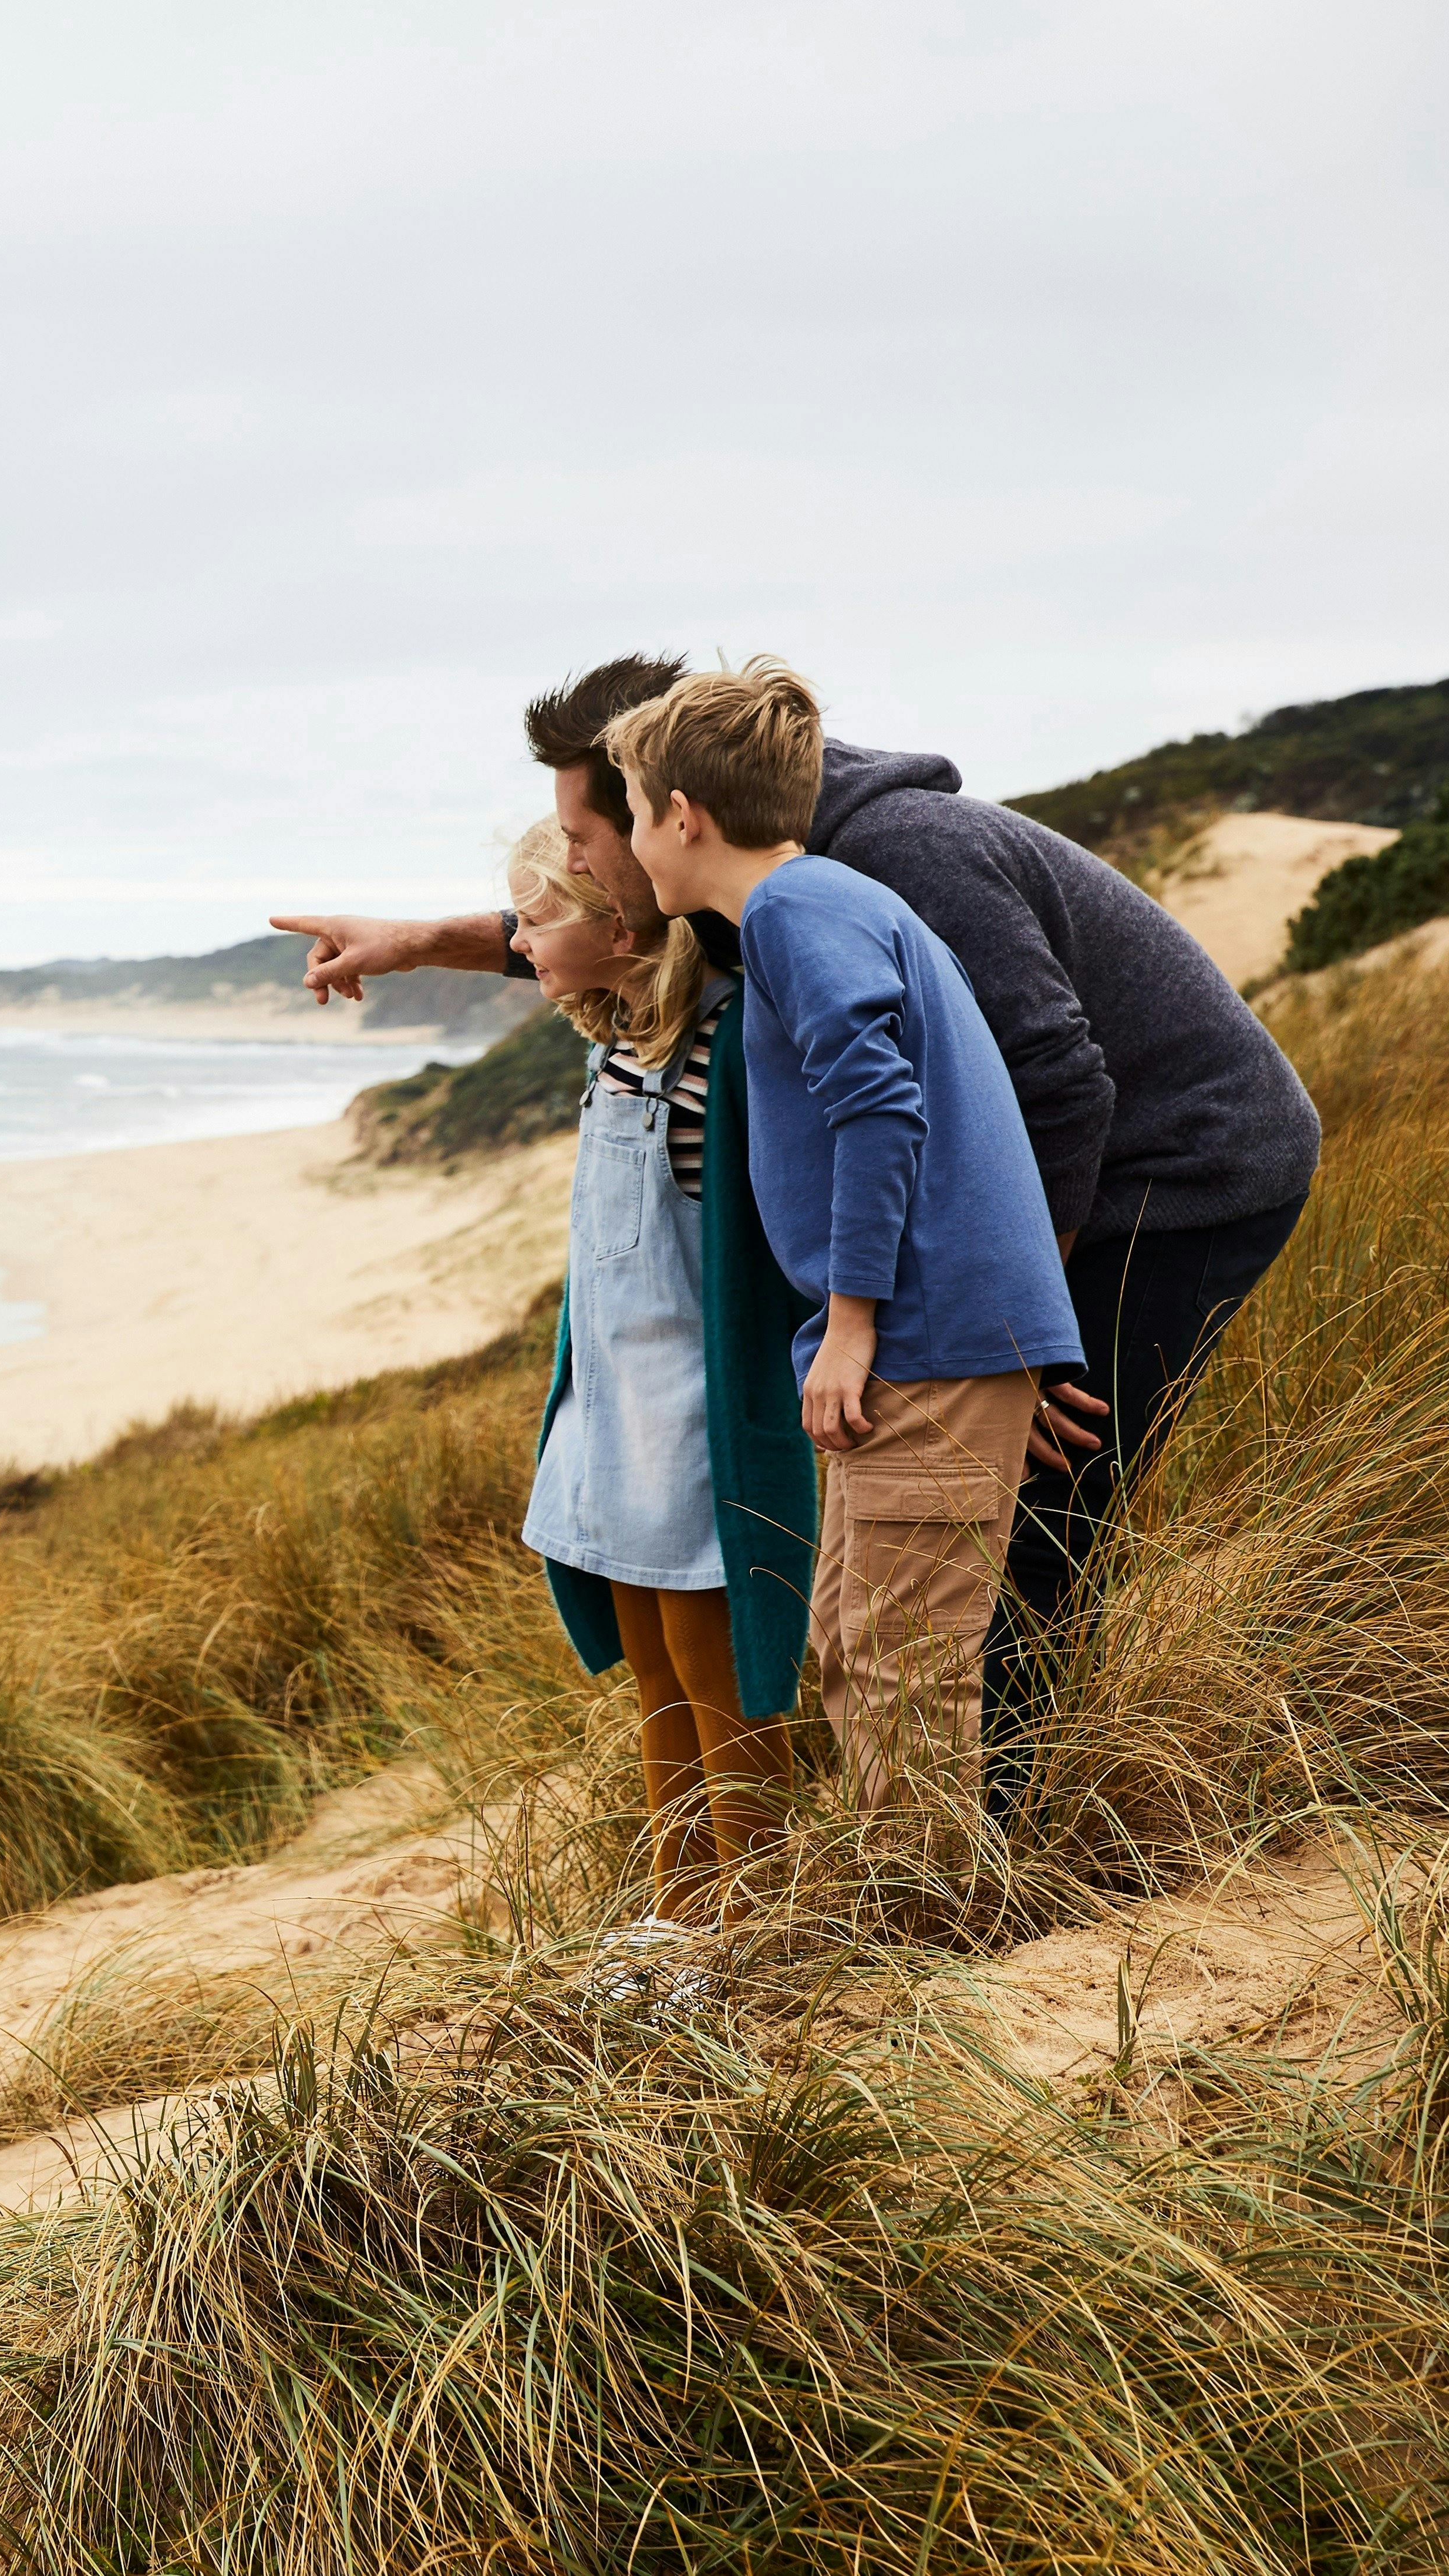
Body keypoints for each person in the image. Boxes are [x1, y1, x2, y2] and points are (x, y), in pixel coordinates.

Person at [277, 655, 1317, 1804]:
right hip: (1014, 1208)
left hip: (1182, 1170)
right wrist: (420, 939)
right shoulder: (759, 881)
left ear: (667, 805)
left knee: (1016, 1521)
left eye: (584, 830)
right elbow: (608, 930)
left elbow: (1063, 1082)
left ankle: (1007, 1858)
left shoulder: (890, 860)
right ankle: (979, 1818)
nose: (570, 859)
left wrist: (1028, 1334)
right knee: (952, 1555)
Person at [604, 664, 1080, 1862]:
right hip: (921, 1333)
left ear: (682, 815)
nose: (626, 841)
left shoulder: (797, 913)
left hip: (923, 1338)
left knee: (899, 1669)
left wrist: (854, 1324)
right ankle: (914, 1916)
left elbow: (879, 1111)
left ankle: (928, 1948)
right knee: (857, 1649)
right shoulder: (823, 904)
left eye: (629, 807)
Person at [505, 824, 816, 1927]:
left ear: (615, 918)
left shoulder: (723, 1041)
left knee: (717, 1678)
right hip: (612, 1412)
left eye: (535, 916)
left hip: (694, 1418)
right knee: (651, 1675)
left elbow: (767, 1249)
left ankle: (755, 1921)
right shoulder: (615, 1041)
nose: (517, 937)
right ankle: (676, 1915)